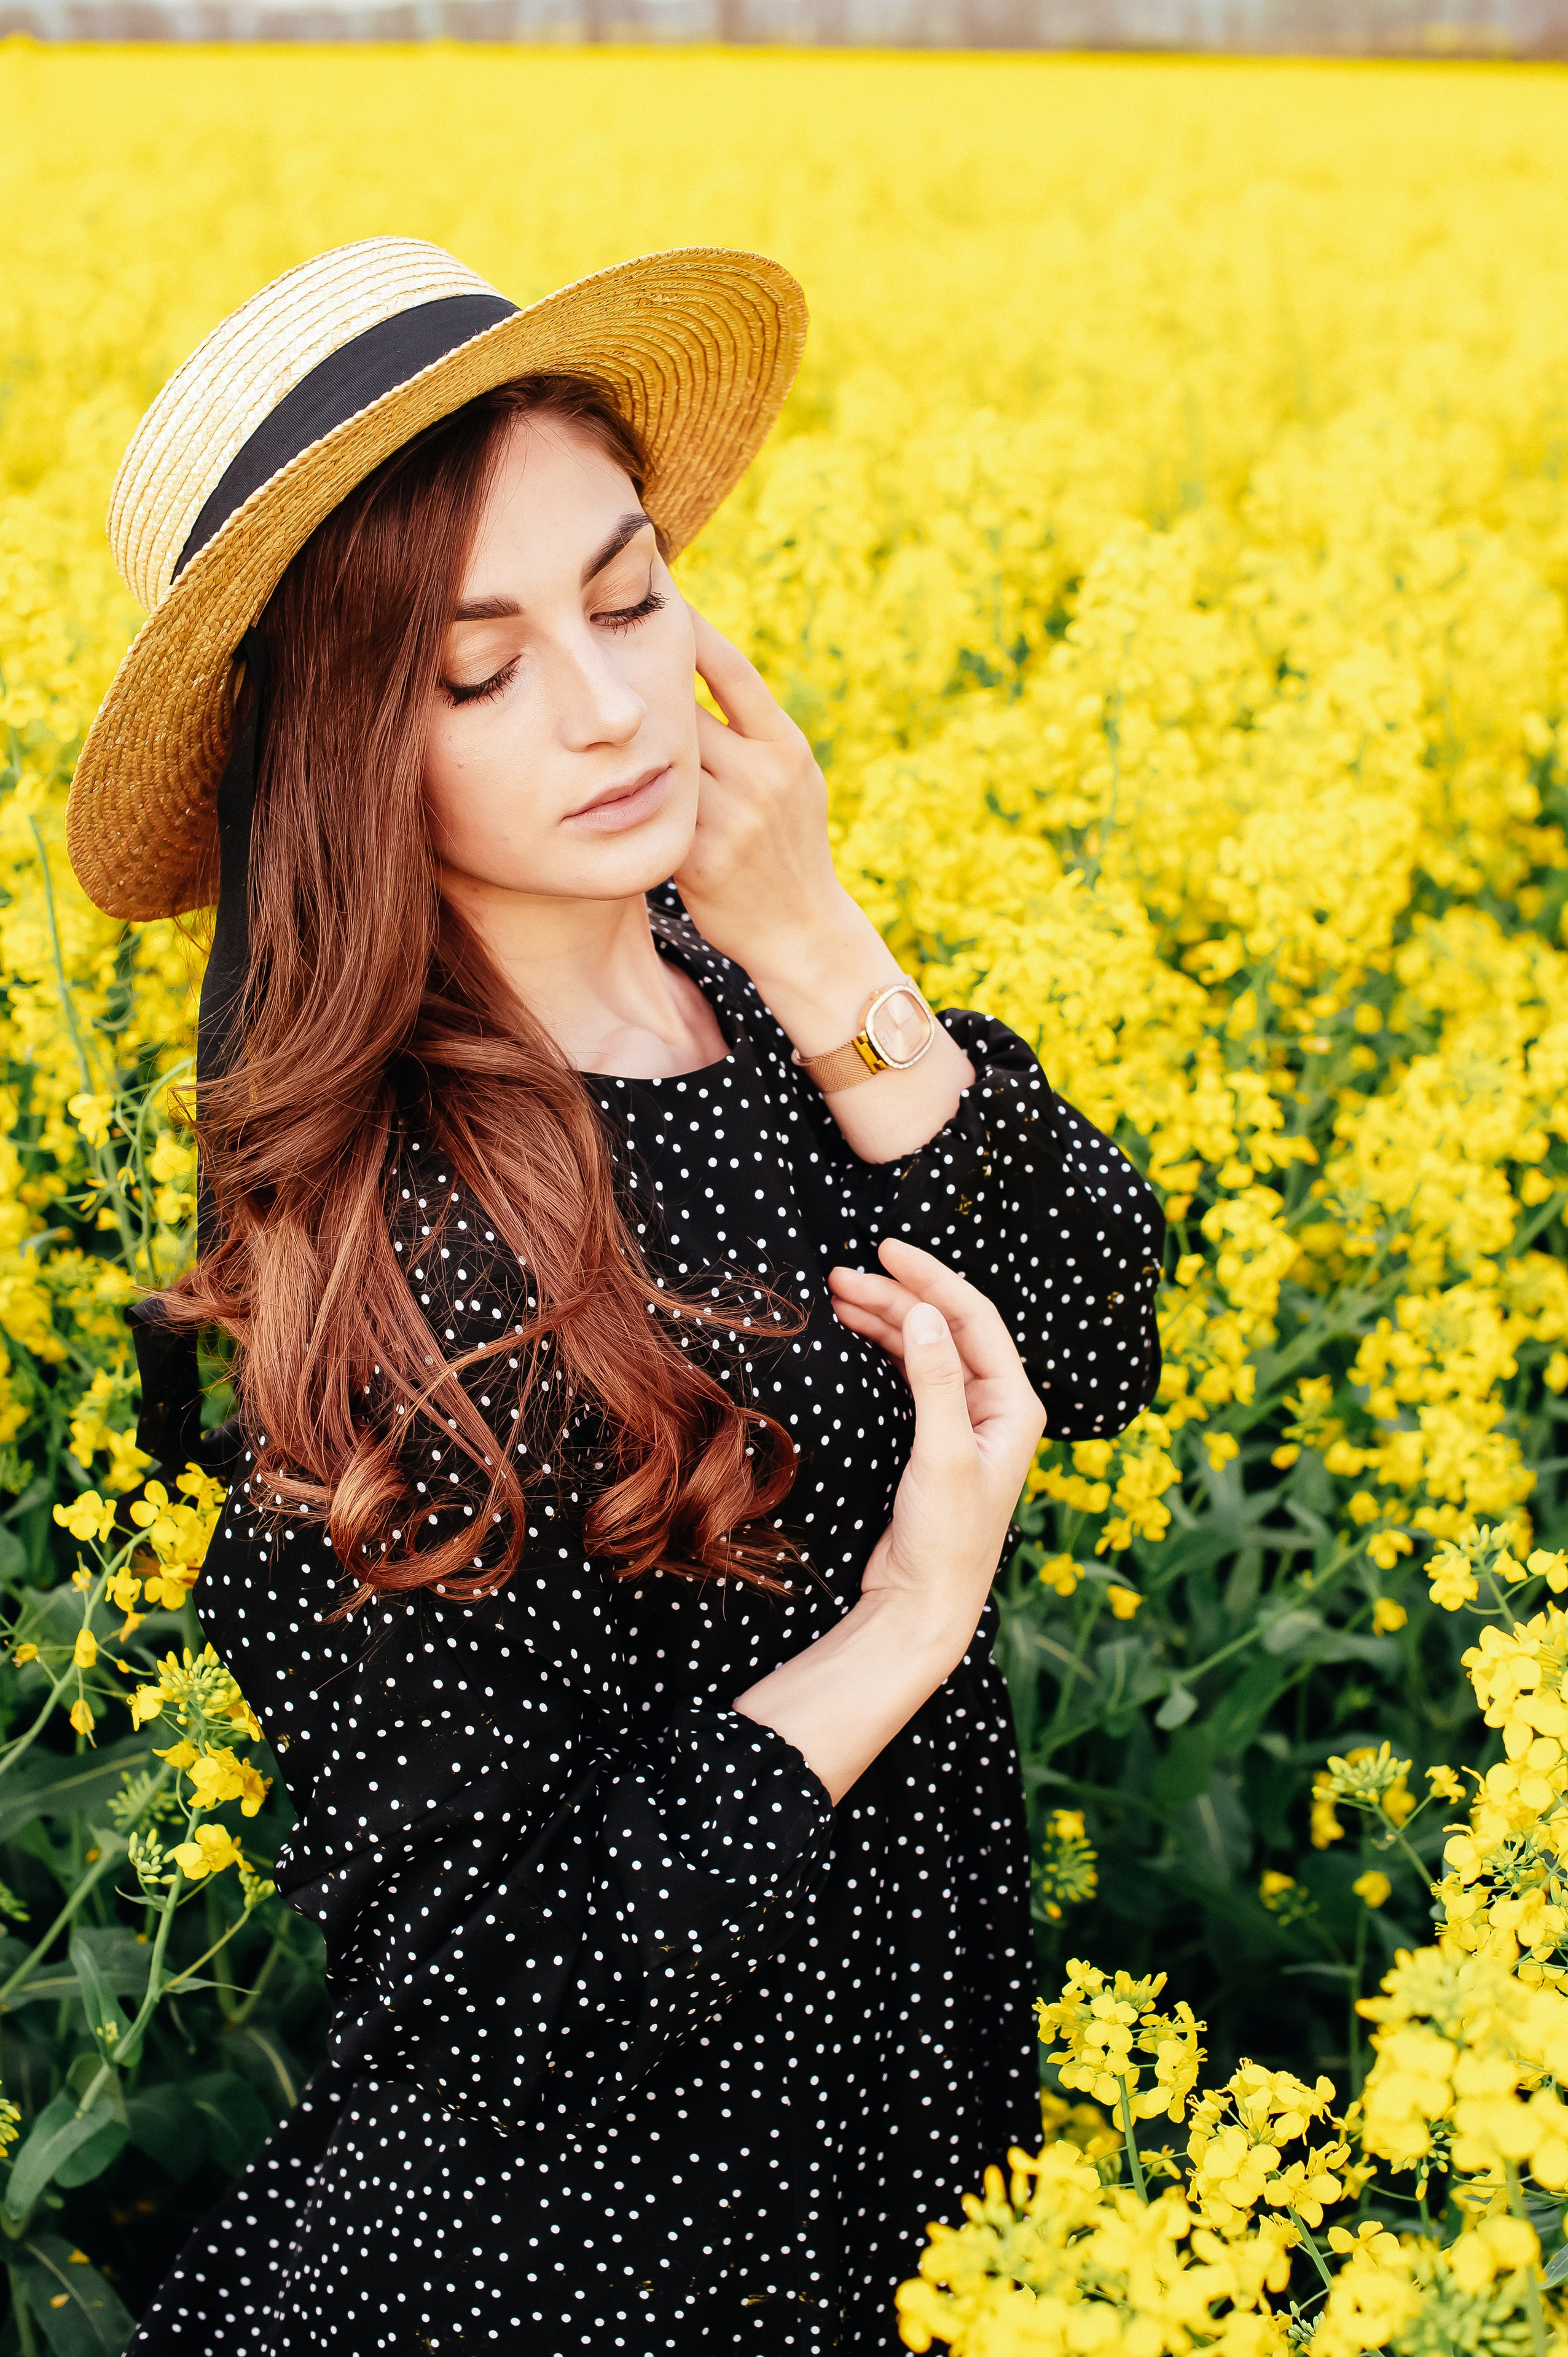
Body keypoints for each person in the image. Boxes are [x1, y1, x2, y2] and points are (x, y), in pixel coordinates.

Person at [66, 237, 1165, 2354]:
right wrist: (903, 1630)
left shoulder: (735, 977)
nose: (608, 704)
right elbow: (481, 1991)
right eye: (477, 673)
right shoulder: (391, 1251)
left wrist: (821, 935)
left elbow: (1100, 1338)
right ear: (346, 749)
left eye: (630, 591)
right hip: (605, 2262)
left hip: (902, 2139)